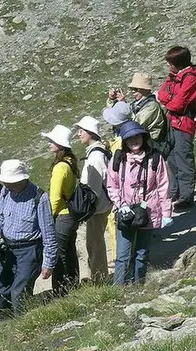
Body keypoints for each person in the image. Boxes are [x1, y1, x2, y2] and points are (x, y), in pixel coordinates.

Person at [106, 121, 173, 285]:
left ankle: (138, 286)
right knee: (122, 255)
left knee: (142, 253)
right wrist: (120, 205)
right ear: (124, 141)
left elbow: (163, 186)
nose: (134, 141)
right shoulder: (118, 160)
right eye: (129, 138)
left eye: (137, 136)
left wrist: (166, 213)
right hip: (126, 212)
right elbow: (112, 185)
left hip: (149, 211)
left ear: (143, 137)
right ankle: (118, 290)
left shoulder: (155, 159)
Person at [0, 160, 57, 315]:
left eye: (11, 182)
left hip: (29, 251)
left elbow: (48, 234)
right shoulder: (6, 192)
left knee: (19, 294)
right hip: (6, 249)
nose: (7, 185)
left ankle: (23, 326)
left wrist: (48, 263)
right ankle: (3, 325)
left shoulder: (39, 197)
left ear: (22, 179)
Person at [157, 46, 196, 210]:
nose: (169, 66)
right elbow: (161, 94)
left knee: (183, 160)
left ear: (179, 62)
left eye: (171, 63)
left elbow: (178, 104)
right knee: (172, 160)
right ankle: (174, 193)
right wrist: (170, 99)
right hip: (172, 123)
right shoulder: (174, 76)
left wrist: (169, 100)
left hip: (184, 124)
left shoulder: (191, 78)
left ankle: (186, 197)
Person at [41, 125, 79, 296]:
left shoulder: (59, 167)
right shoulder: (70, 162)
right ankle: (73, 284)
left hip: (62, 216)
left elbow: (54, 198)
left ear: (60, 145)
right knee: (70, 251)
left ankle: (60, 291)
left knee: (59, 254)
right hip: (71, 215)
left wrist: (49, 217)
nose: (49, 143)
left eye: (52, 141)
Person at [73, 116, 112, 282]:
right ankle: (97, 275)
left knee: (95, 244)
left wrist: (87, 207)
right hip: (101, 205)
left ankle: (98, 278)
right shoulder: (98, 152)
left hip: (97, 207)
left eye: (81, 131)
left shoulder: (95, 156)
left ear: (90, 133)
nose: (79, 134)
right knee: (95, 242)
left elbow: (93, 187)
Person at [102, 101, 132, 269]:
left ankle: (117, 255)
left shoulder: (121, 141)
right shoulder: (128, 134)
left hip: (119, 185)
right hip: (122, 185)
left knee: (114, 219)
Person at [108, 72, 167, 144]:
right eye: (132, 89)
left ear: (145, 89)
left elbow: (135, 124)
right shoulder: (137, 103)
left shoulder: (152, 106)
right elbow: (115, 115)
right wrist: (113, 100)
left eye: (135, 89)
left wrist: (123, 104)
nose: (133, 92)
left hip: (151, 144)